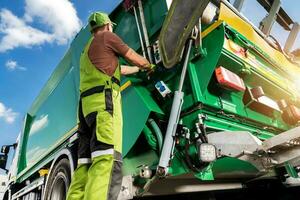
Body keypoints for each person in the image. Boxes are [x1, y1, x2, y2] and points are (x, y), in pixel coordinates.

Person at [66, 12, 152, 200]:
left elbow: (119, 69)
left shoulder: (87, 51)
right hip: (104, 106)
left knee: (85, 165)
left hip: (86, 111)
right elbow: (132, 56)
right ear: (107, 25)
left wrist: (136, 70)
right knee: (107, 160)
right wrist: (148, 66)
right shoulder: (107, 37)